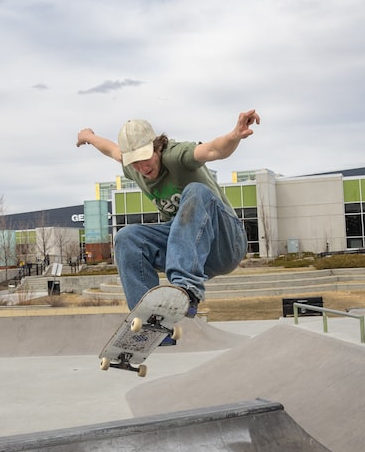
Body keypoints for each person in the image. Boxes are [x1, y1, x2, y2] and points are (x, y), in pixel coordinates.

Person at [76, 109, 260, 325]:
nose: (143, 168)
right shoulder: (132, 167)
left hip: (226, 243)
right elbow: (111, 149)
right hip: (190, 252)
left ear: (157, 147)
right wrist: (88, 136)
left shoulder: (176, 155)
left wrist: (234, 135)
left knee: (196, 191)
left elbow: (212, 150)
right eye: (135, 163)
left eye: (146, 159)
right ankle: (149, 318)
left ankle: (185, 291)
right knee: (126, 238)